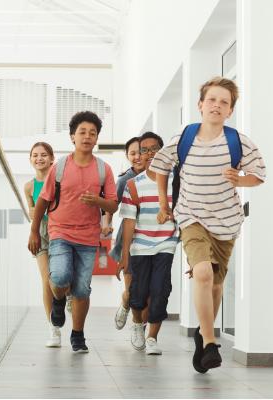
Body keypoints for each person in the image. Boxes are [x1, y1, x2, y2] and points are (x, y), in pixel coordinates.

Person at [150, 77, 266, 372]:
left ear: (230, 111)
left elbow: (259, 175)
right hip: (191, 217)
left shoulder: (238, 141)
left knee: (215, 285)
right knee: (202, 273)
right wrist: (165, 204)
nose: (217, 105)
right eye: (212, 100)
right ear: (200, 105)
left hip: (226, 222)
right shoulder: (184, 137)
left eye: (224, 102)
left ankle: (204, 337)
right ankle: (212, 342)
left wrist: (240, 179)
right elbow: (160, 168)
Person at [28, 111, 118, 352]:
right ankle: (58, 300)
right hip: (59, 232)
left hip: (88, 237)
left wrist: (97, 202)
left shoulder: (103, 169)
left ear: (97, 138)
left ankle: (77, 335)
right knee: (58, 277)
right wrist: (34, 232)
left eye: (92, 133)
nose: (87, 136)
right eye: (82, 132)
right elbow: (42, 202)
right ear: (72, 137)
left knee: (81, 288)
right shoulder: (59, 168)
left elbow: (113, 204)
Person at [118, 131, 178, 356]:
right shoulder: (133, 185)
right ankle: (137, 324)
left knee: (160, 290)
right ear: (139, 155)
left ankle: (152, 337)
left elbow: (184, 215)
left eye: (155, 149)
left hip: (166, 243)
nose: (150, 153)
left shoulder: (176, 182)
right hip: (140, 246)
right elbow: (129, 222)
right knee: (139, 292)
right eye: (145, 150)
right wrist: (125, 254)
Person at [23, 142, 59, 347]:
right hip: (41, 233)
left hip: (60, 230)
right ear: (30, 159)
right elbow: (31, 210)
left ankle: (65, 296)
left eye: (44, 155)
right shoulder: (28, 186)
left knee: (60, 279)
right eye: (35, 155)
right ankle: (53, 327)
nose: (39, 158)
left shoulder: (59, 181)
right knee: (46, 281)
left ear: (52, 158)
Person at [110, 136, 146, 330]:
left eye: (141, 152)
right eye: (132, 153)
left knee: (148, 291)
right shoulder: (125, 179)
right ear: (127, 156)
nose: (137, 157)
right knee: (132, 289)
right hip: (129, 239)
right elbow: (111, 204)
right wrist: (106, 223)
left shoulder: (159, 177)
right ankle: (126, 305)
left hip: (151, 238)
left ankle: (141, 327)